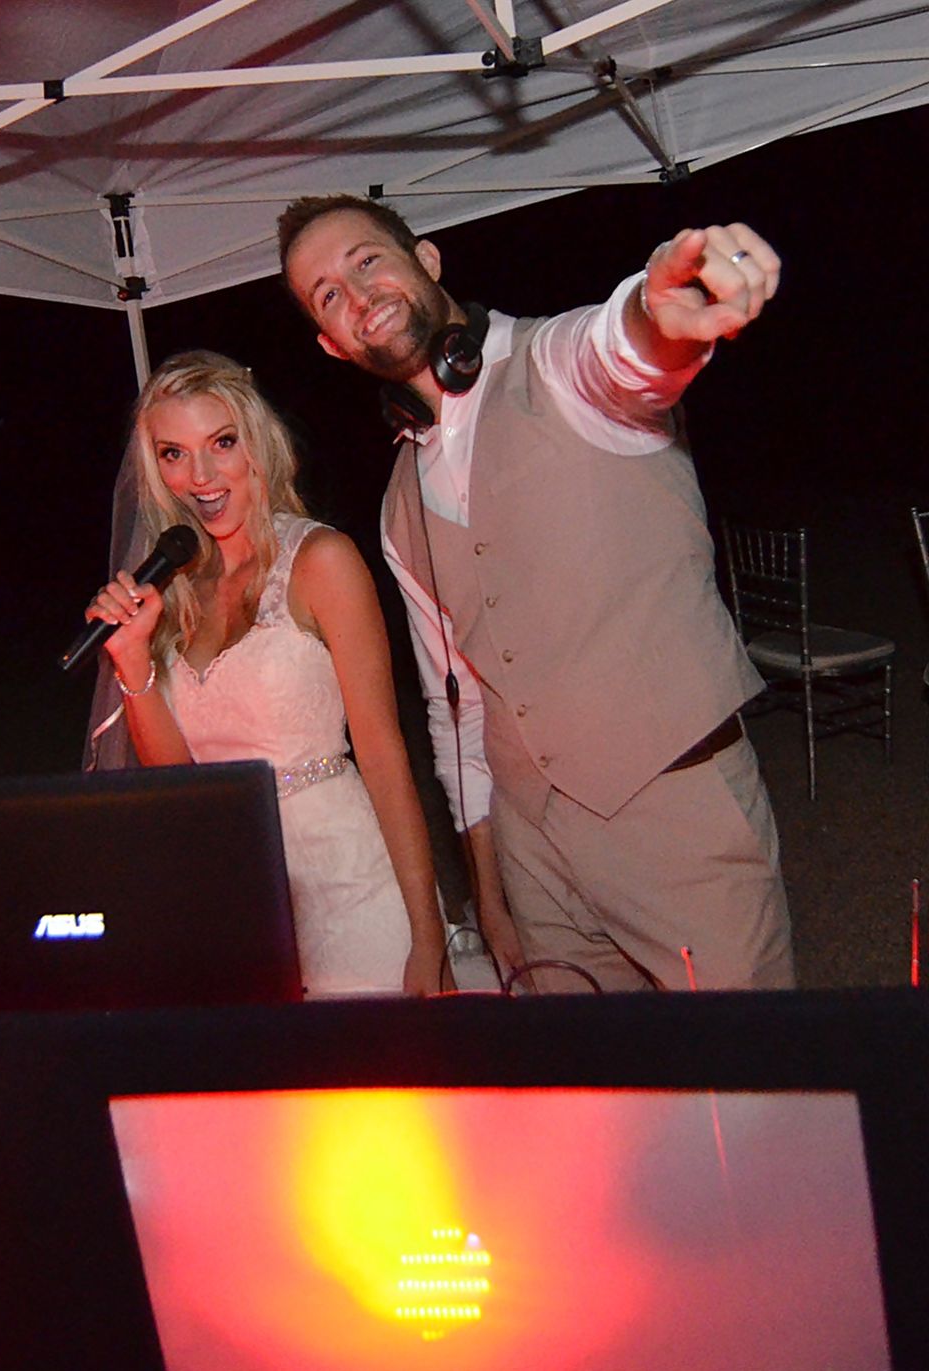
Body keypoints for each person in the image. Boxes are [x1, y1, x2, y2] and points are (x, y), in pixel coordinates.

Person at [277, 193, 795, 993]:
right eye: (329, 296)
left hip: (675, 812)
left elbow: (619, 352)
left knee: (754, 1094)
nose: (358, 296)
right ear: (331, 345)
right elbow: (458, 706)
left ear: (429, 259)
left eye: (367, 260)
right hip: (531, 852)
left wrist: (658, 316)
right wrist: (491, 883)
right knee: (603, 1108)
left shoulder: (557, 364)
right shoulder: (395, 507)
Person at [84, 350, 450, 999]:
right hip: (238, 896)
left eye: (221, 442)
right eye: (173, 453)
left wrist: (428, 936)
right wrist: (134, 660)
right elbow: (181, 788)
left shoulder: (322, 560)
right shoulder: (169, 588)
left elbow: (386, 753)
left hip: (349, 885)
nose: (201, 475)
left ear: (257, 442)